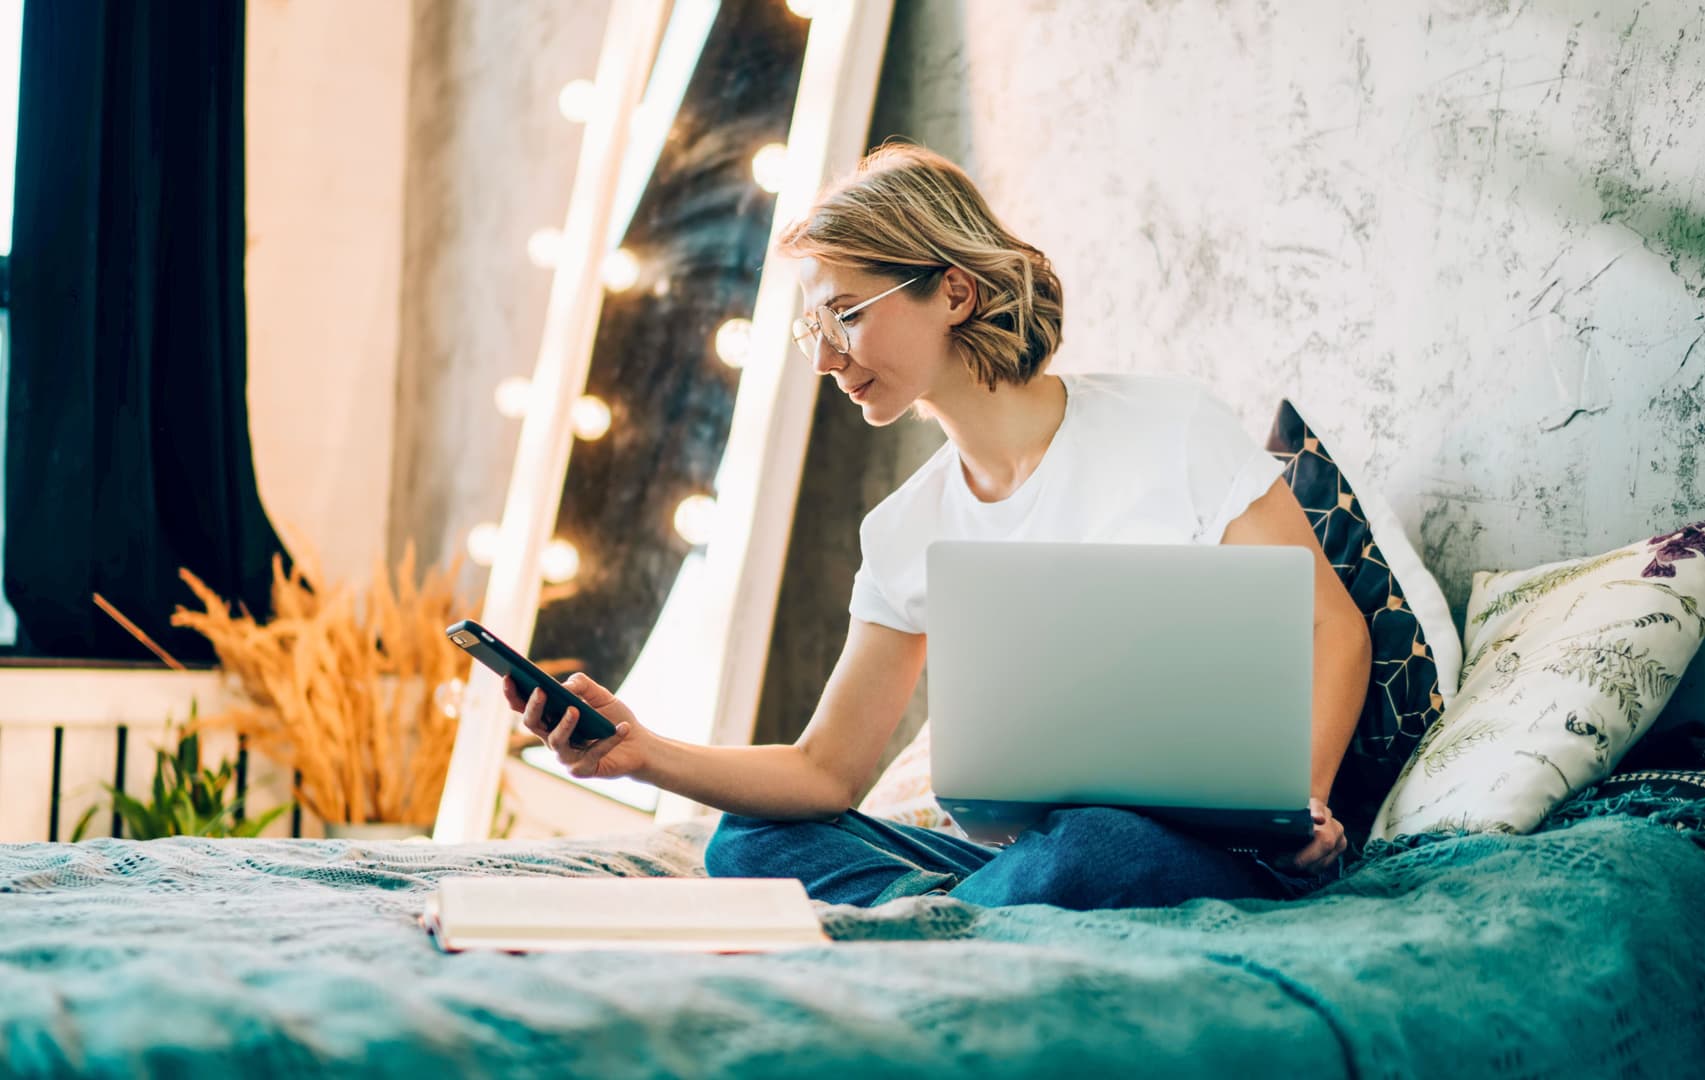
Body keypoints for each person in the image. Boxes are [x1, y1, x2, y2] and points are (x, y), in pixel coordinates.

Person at [506, 142, 1373, 911]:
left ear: (953, 290)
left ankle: (942, 915)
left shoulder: (1170, 427)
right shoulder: (903, 530)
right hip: (1027, 860)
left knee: (1095, 842)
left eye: (845, 314)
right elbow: (824, 771)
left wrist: (1298, 806)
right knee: (749, 842)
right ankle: (965, 913)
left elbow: (1331, 626)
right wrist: (644, 751)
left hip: (1206, 853)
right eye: (813, 328)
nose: (825, 357)